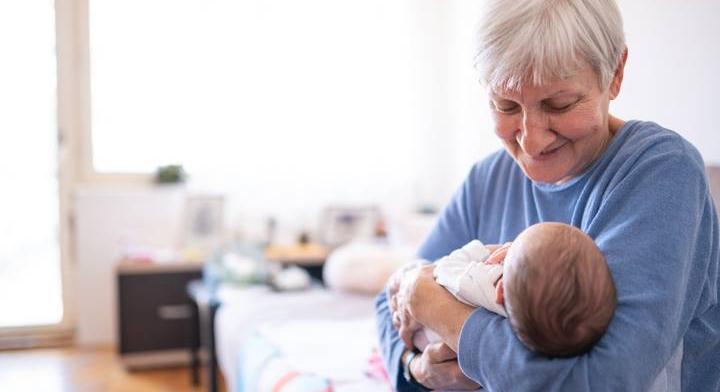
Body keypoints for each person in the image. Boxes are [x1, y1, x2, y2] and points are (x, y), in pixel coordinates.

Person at [374, 0, 720, 391]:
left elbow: (602, 381)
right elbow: (387, 305)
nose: (531, 140)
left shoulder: (661, 172)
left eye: (559, 104)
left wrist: (432, 304)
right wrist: (415, 367)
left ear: (616, 74)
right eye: (505, 105)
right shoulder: (489, 178)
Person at [411, 222, 616, 359]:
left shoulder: (483, 283)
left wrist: (486, 250)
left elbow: (443, 270)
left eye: (510, 249)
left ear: (500, 290)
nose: (506, 247)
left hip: (426, 340)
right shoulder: (534, 318)